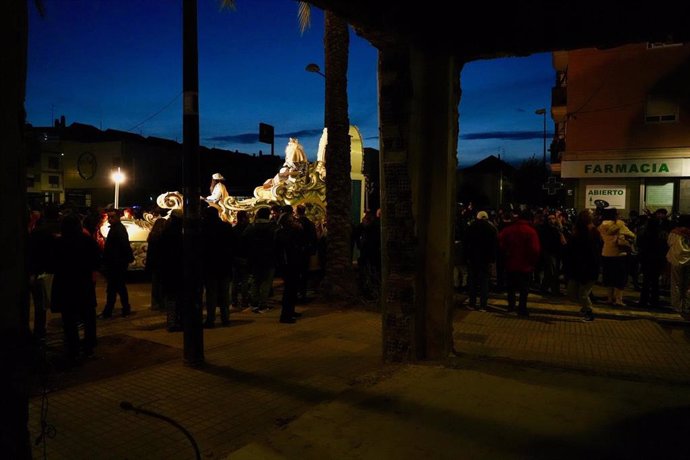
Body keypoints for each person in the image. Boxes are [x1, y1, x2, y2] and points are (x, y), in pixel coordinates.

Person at [50, 213, 101, 361]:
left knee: (69, 318)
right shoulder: (87, 241)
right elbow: (96, 260)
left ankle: (73, 348)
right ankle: (89, 345)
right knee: (88, 316)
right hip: (84, 283)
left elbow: (53, 263)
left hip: (65, 284)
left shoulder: (59, 242)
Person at [499, 209, 541, 316]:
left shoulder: (509, 229)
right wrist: (532, 262)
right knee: (524, 289)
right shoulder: (531, 231)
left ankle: (511, 307)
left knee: (511, 288)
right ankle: (522, 309)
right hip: (525, 265)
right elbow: (535, 249)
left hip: (510, 263)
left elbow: (501, 243)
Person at [564, 210, 602, 322]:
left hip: (589, 268)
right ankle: (585, 307)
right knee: (571, 292)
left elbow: (594, 253)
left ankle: (589, 312)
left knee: (583, 293)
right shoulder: (577, 232)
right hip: (577, 267)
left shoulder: (594, 233)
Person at [100, 209, 134, 318]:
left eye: (112, 217)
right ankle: (123, 308)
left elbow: (123, 245)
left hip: (116, 263)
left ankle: (109, 310)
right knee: (118, 287)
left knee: (113, 287)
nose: (110, 219)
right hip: (116, 262)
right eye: (109, 217)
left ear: (118, 217)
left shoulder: (118, 229)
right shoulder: (117, 228)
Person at [598, 207, 635, 307]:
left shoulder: (601, 225)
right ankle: (618, 299)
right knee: (620, 277)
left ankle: (609, 298)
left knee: (608, 277)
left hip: (606, 253)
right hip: (619, 254)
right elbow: (632, 235)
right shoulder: (620, 224)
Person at [463, 210, 498, 311]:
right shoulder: (491, 229)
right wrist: (492, 259)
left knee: (472, 281)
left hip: (473, 258)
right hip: (485, 259)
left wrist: (466, 257)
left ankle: (472, 303)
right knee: (484, 282)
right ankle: (483, 305)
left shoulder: (471, 228)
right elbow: (494, 245)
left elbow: (465, 243)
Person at [666, 214, 690, 318]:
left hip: (676, 260)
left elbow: (669, 243)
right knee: (688, 284)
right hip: (689, 259)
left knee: (676, 283)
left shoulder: (674, 232)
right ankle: (687, 305)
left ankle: (676, 306)